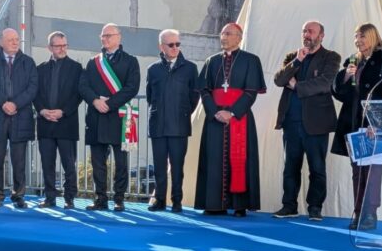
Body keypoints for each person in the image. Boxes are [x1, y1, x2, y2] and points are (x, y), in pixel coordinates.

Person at [332, 22, 382, 231]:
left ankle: (370, 214)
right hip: (353, 124)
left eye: (362, 37)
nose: (358, 41)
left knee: (372, 172)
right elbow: (339, 93)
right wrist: (345, 75)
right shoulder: (353, 60)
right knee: (357, 172)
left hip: (373, 126)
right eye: (356, 37)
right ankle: (358, 212)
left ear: (372, 37)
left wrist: (379, 124)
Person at [194, 22, 266, 216]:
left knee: (240, 159)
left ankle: (239, 205)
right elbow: (204, 89)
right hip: (215, 117)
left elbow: (251, 91)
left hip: (239, 117)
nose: (223, 37)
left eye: (228, 34)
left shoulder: (251, 60)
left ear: (239, 37)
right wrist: (214, 112)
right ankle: (214, 204)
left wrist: (232, 112)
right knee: (213, 159)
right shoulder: (212, 61)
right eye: (222, 34)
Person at [272, 20, 340, 221]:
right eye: (304, 31)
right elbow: (278, 80)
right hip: (291, 122)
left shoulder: (331, 57)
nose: (306, 34)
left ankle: (315, 208)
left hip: (317, 123)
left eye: (311, 31)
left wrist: (296, 86)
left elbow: (325, 83)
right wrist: (297, 63)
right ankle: (289, 205)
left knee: (317, 168)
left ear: (321, 36)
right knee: (290, 167)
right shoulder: (292, 57)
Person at [79, 23, 140, 211]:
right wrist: (96, 101)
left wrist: (109, 103)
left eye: (109, 35)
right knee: (98, 162)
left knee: (121, 162)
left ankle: (119, 198)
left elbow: (132, 87)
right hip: (97, 117)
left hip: (119, 118)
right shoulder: (93, 62)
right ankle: (101, 198)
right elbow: (83, 86)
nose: (105, 39)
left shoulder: (130, 61)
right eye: (103, 36)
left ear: (119, 37)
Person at [0, 28, 38, 209]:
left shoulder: (28, 62)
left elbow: (33, 87)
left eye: (17, 39)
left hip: (20, 117)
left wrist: (15, 104)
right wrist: (3, 102)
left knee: (19, 160)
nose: (15, 42)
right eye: (10, 39)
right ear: (1, 42)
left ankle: (18, 195)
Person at [145, 28, 199, 213]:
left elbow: (194, 97)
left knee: (177, 166)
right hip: (158, 124)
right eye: (171, 45)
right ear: (162, 46)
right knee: (159, 166)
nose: (175, 47)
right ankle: (159, 200)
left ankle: (176, 201)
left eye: (178, 44)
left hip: (179, 125)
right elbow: (150, 96)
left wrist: (182, 112)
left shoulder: (190, 68)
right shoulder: (153, 70)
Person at [34, 31, 83, 209]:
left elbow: (78, 95)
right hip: (45, 124)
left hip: (67, 123)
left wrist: (63, 111)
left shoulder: (77, 68)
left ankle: (69, 198)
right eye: (58, 46)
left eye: (64, 45)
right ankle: (50, 197)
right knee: (47, 163)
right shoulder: (40, 69)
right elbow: (35, 94)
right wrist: (42, 110)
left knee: (69, 163)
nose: (62, 49)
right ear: (49, 48)